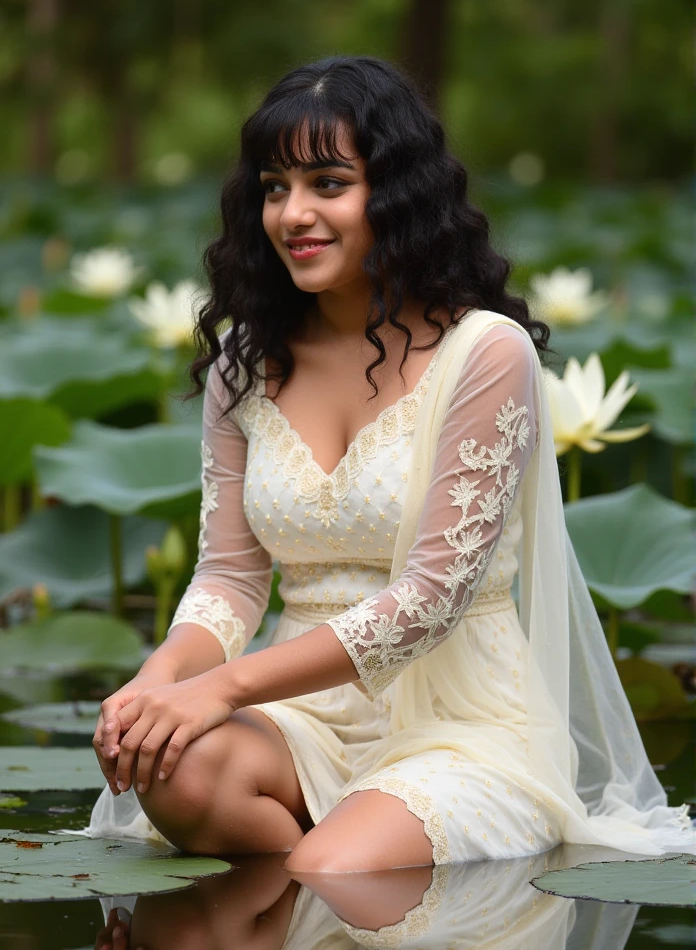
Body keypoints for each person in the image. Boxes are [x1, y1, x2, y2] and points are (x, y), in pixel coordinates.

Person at [87, 55, 695, 872]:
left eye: (327, 184)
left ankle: (316, 871)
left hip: (459, 719)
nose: (292, 214)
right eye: (274, 187)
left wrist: (223, 689)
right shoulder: (245, 359)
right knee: (176, 770)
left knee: (326, 871)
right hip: (297, 713)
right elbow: (229, 580)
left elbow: (430, 599)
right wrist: (155, 687)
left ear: (398, 193)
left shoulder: (485, 353)